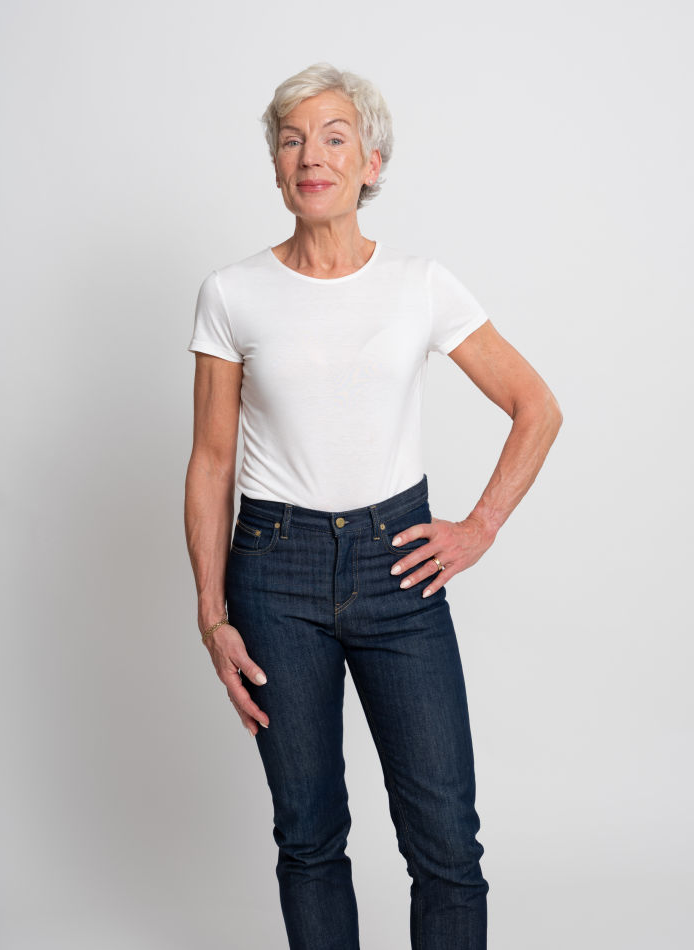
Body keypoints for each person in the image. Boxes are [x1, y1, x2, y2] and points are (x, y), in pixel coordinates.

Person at [184, 62, 562, 950]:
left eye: (334, 137)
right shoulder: (232, 294)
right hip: (273, 575)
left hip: (400, 568)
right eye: (291, 140)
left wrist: (480, 526)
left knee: (446, 844)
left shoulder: (419, 284)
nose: (310, 155)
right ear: (276, 166)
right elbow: (210, 461)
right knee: (308, 836)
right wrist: (211, 614)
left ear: (372, 164)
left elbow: (536, 406)